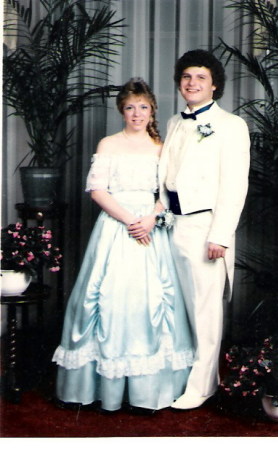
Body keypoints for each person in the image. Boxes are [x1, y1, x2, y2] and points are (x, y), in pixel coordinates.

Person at [52, 78, 193, 414]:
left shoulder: (162, 145)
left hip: (151, 228)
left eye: (143, 107)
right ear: (121, 110)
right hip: (117, 228)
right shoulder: (108, 144)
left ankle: (150, 390)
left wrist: (151, 219)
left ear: (152, 110)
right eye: (130, 107)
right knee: (108, 299)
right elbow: (99, 191)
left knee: (153, 300)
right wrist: (132, 221)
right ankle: (101, 387)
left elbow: (170, 193)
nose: (137, 113)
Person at [158, 49, 250, 409]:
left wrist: (220, 235)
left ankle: (203, 386)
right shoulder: (173, 122)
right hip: (172, 224)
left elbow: (234, 185)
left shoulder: (231, 125)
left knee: (205, 310)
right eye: (186, 77)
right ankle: (181, 377)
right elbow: (165, 178)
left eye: (200, 77)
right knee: (177, 306)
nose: (192, 83)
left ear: (215, 85)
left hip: (205, 226)